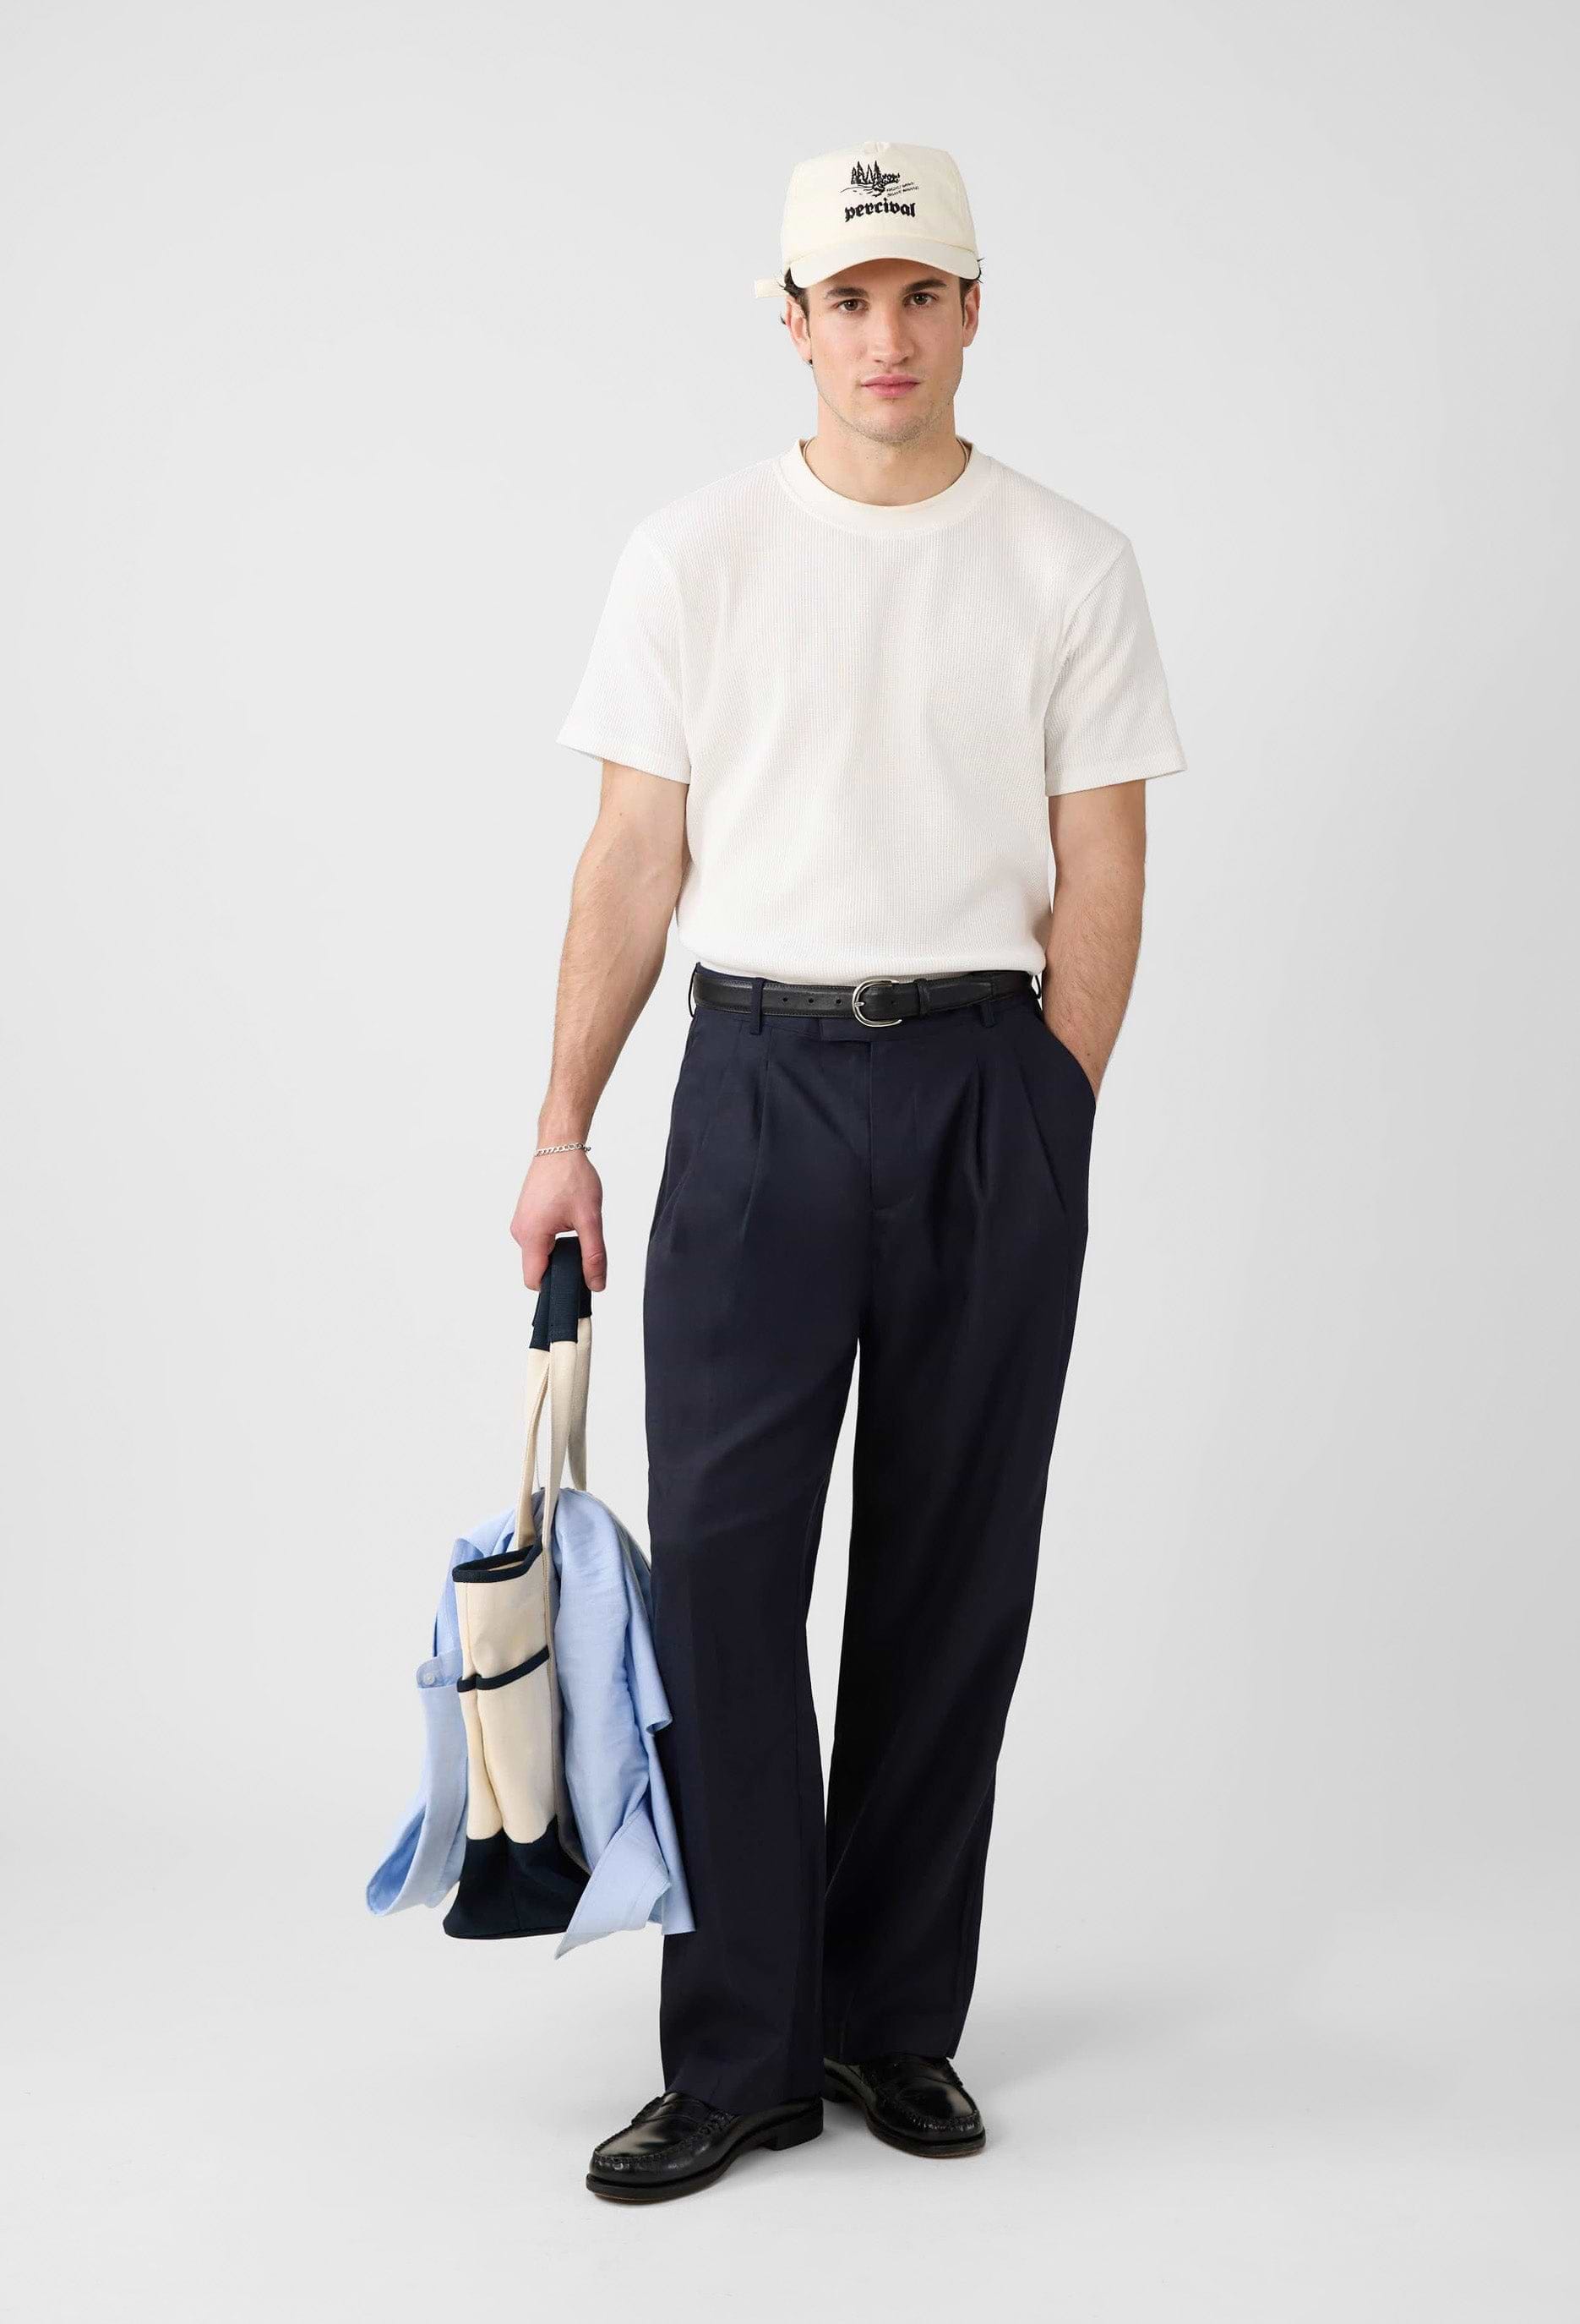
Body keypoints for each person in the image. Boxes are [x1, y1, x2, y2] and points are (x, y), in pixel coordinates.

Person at [509, 139, 1187, 2204]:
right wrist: (562, 1128)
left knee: (948, 1569)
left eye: (921, 295)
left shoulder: (1069, 562)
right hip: (755, 1085)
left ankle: (895, 2022)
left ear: (972, 310)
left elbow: (1103, 875)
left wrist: (1043, 1110)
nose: (884, 337)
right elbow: (634, 860)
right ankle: (734, 2054)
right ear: (788, 321)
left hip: (987, 1076)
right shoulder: (693, 554)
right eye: (846, 299)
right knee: (723, 1573)